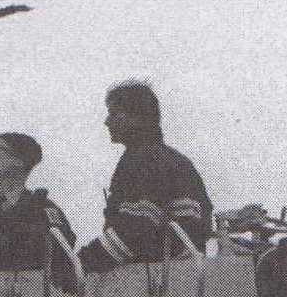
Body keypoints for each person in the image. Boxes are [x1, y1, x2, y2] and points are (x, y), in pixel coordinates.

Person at [79, 80, 213, 273]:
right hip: (183, 276)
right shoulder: (175, 160)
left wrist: (79, 265)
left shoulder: (142, 160)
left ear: (137, 118)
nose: (107, 121)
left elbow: (136, 228)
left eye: (114, 113)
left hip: (152, 281)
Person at [0, 133, 77, 286]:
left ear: (19, 162)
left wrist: (21, 234)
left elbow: (63, 251)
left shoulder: (42, 209)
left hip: (26, 296)